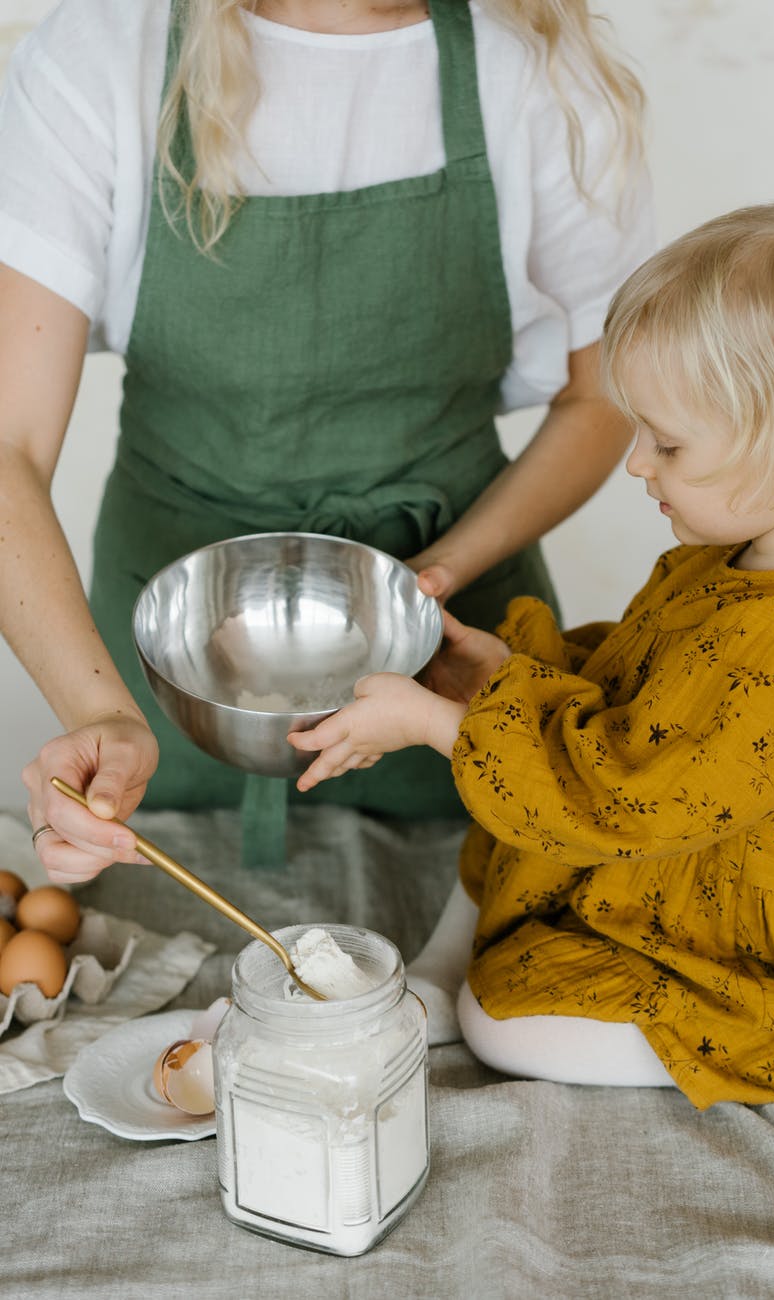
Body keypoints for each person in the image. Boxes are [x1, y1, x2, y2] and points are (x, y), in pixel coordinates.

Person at [0, 0, 651, 877]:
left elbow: (600, 396)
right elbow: (9, 449)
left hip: (452, 659)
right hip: (174, 669)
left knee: (480, 909)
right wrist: (105, 716)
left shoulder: (542, 70)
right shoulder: (107, 53)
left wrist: (434, 584)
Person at [288, 203, 774, 1107]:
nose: (637, 464)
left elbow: (626, 795)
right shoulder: (743, 554)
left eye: (667, 443)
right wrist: (487, 680)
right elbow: (647, 680)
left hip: (735, 940)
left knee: (502, 1025)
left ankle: (733, 1042)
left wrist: (440, 726)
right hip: (653, 832)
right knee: (502, 797)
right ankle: (444, 970)